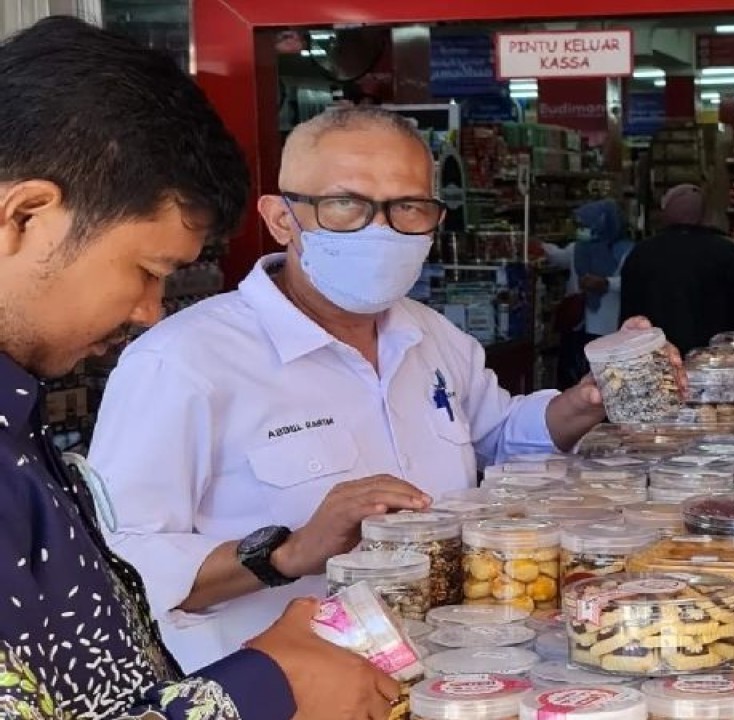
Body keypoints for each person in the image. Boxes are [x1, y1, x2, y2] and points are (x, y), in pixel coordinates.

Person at [87, 107, 651, 672]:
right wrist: (289, 551)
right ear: (283, 219)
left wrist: (580, 404)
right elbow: (115, 564)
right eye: (345, 205)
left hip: (449, 678)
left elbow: (498, 436)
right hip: (286, 695)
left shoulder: (430, 334)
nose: (379, 230)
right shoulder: (182, 362)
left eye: (408, 207)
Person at [0, 17, 399, 720]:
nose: (151, 311)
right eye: (147, 271)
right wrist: (267, 688)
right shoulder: (174, 362)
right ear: (26, 215)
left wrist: (268, 652)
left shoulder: (22, 423)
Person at [621, 184, 734, 355]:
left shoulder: (642, 253)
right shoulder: (728, 252)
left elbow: (629, 318)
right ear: (703, 216)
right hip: (718, 361)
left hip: (657, 360)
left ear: (666, 214)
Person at [541, 198, 633, 386]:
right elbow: (559, 257)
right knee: (573, 375)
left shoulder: (626, 252)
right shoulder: (578, 248)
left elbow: (632, 281)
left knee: (602, 379)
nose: (581, 229)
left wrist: (607, 283)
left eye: (586, 224)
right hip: (576, 323)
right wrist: (538, 246)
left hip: (606, 325)